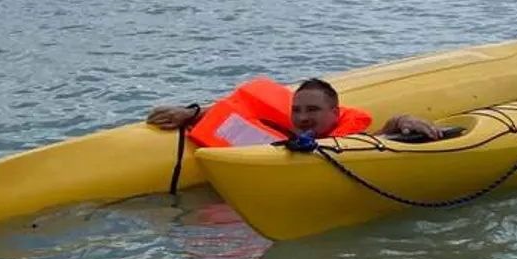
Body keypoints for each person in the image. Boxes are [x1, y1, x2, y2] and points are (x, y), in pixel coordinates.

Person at [146, 77, 442, 146]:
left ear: (335, 113)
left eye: (313, 110)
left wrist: (403, 121)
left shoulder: (348, 137)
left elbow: (379, 136)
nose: (302, 117)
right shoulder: (285, 127)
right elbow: (236, 110)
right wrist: (190, 112)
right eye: (297, 110)